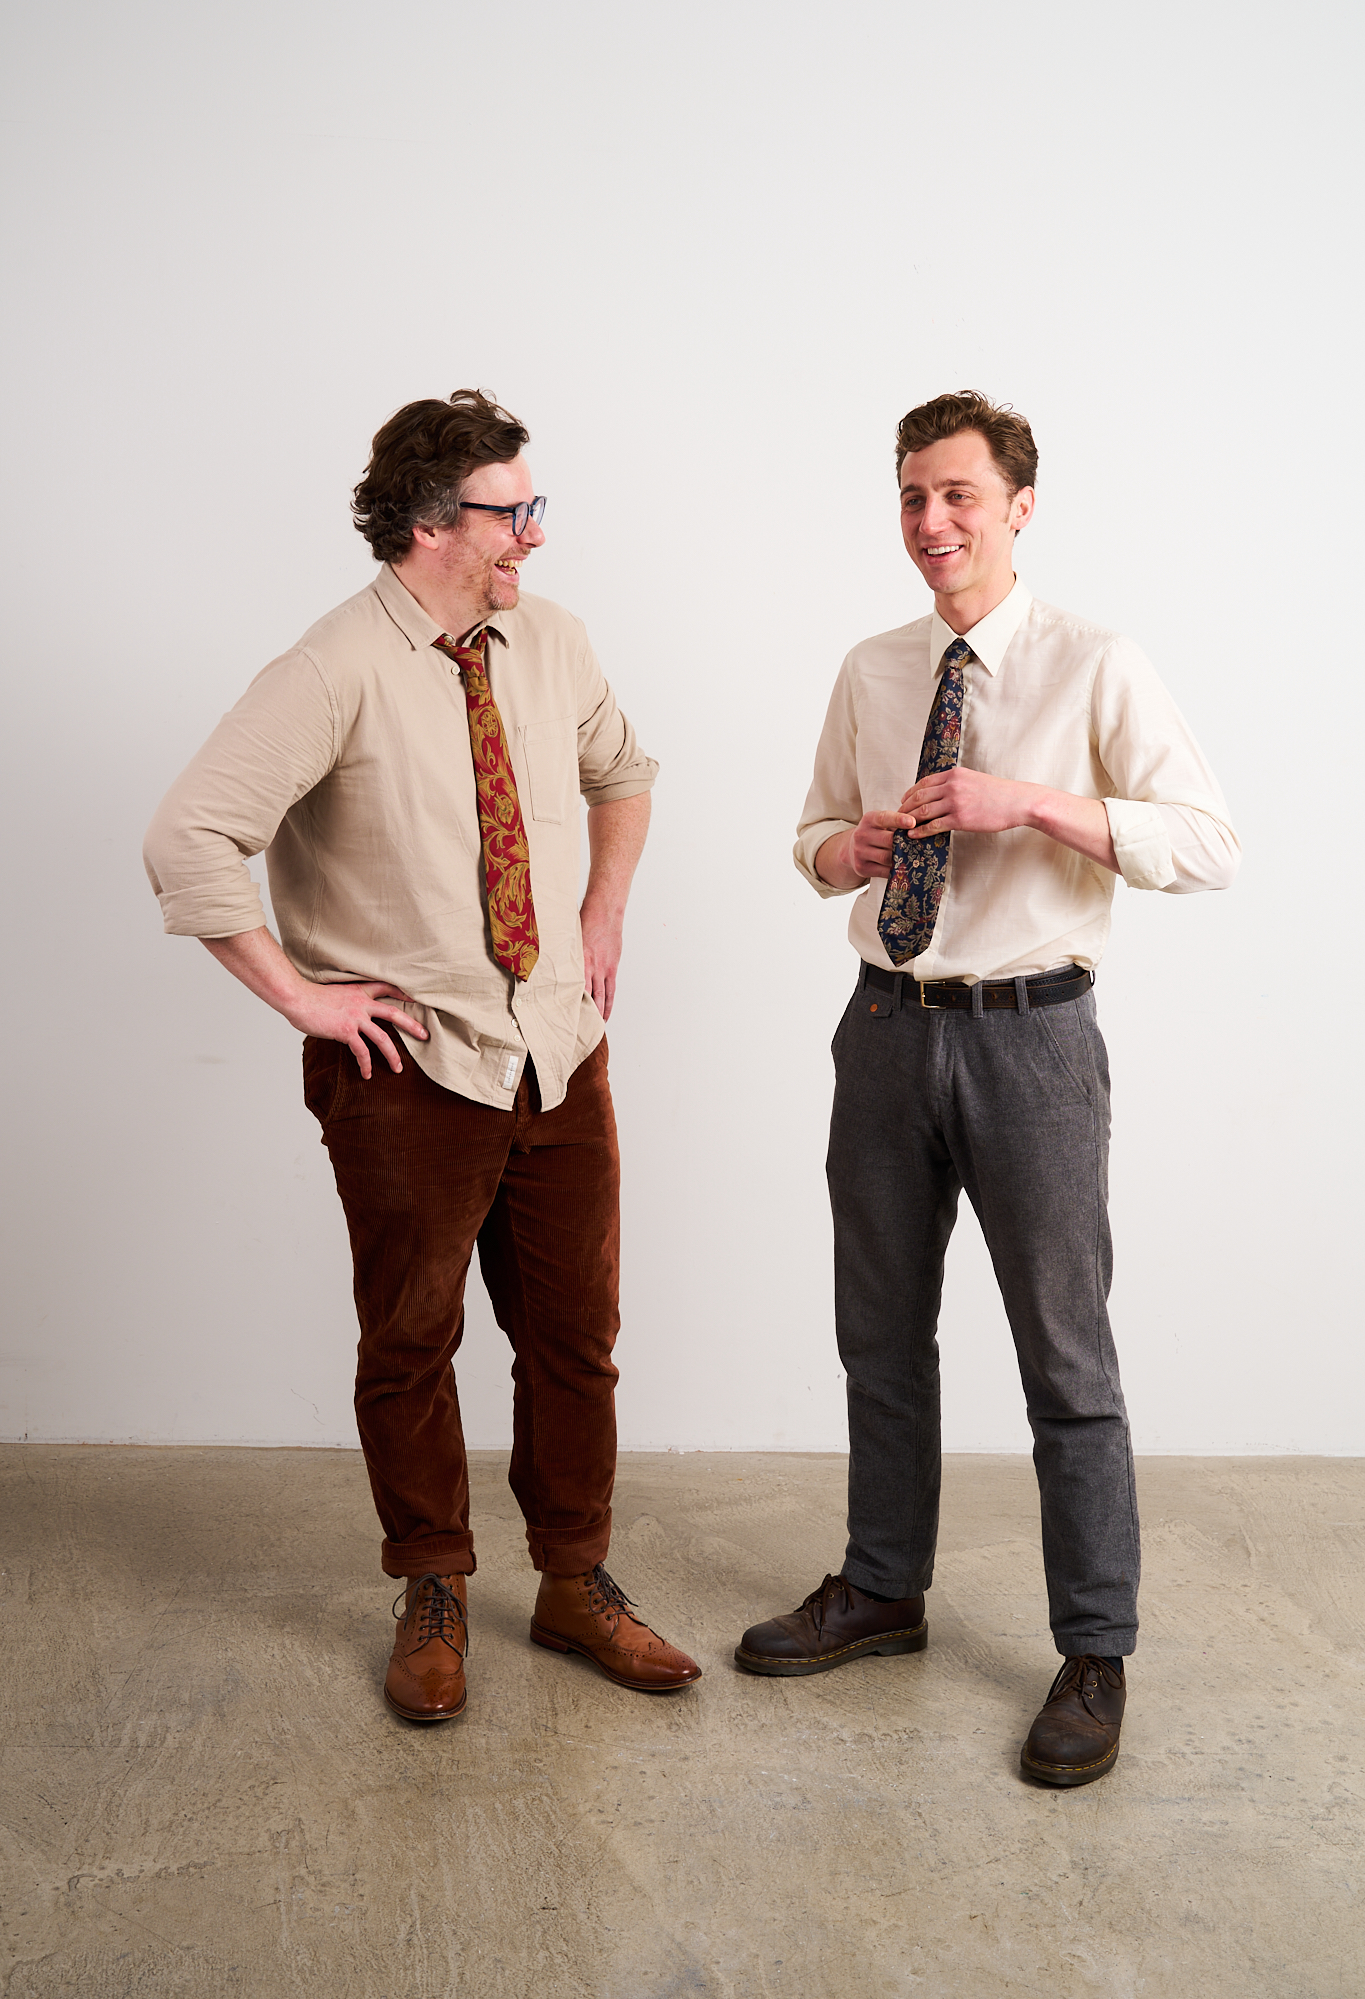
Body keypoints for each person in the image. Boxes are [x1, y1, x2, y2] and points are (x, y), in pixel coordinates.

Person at [144, 389, 700, 1721]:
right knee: (410, 1339)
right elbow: (187, 839)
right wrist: (304, 1000)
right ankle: (433, 1587)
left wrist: (601, 915)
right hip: (410, 1067)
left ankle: (574, 1581)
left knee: (575, 1336)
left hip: (557, 1053)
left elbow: (624, 772)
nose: (536, 535)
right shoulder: (330, 667)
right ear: (433, 525)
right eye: (515, 512)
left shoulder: (551, 640)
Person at [735, 390, 1238, 1784]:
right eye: (911, 496)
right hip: (885, 1029)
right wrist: (846, 851)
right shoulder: (872, 668)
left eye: (956, 494)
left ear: (1019, 507)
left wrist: (1029, 803)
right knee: (879, 1336)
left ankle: (1094, 1650)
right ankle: (881, 1585)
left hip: (1033, 1042)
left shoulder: (1096, 663)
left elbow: (1207, 842)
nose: (930, 521)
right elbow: (810, 835)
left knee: (1065, 1358)